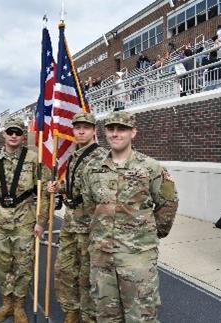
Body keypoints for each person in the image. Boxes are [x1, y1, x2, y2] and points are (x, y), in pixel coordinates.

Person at [82, 111, 179, 322]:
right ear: (105, 132)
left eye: (122, 129)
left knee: (141, 316)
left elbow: (168, 204)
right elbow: (90, 206)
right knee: (106, 315)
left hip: (137, 258)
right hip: (102, 256)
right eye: (111, 129)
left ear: (133, 132)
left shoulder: (150, 167)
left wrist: (149, 235)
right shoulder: (92, 169)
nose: (116, 134)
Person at [0, 117, 48, 323]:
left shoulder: (34, 159)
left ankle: (19, 306)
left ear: (23, 135)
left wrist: (41, 221)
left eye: (18, 132)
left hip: (25, 221)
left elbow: (44, 193)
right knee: (1, 265)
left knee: (24, 265)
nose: (14, 136)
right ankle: (6, 303)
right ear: (4, 135)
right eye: (10, 132)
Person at [46, 112, 107, 323]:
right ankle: (71, 309)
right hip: (70, 222)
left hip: (89, 225)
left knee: (87, 274)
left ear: (93, 131)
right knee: (64, 269)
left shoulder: (101, 157)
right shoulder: (73, 156)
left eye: (86, 127)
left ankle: (88, 315)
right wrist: (60, 187)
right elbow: (75, 187)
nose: (81, 131)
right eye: (77, 127)